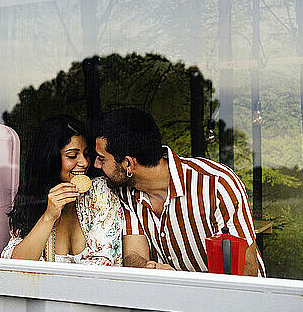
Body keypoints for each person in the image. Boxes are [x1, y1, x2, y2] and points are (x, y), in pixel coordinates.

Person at [93, 108, 265, 276]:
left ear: (129, 164)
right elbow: (134, 255)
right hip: (168, 300)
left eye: (102, 159)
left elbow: (244, 272)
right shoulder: (124, 192)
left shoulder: (216, 185)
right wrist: (148, 268)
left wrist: (184, 286)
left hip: (230, 299)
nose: (95, 165)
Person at [1, 115, 123, 266]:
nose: (84, 163)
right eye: (72, 156)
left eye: (86, 154)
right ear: (49, 159)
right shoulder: (32, 203)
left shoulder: (99, 192)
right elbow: (15, 265)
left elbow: (105, 265)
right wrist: (48, 217)